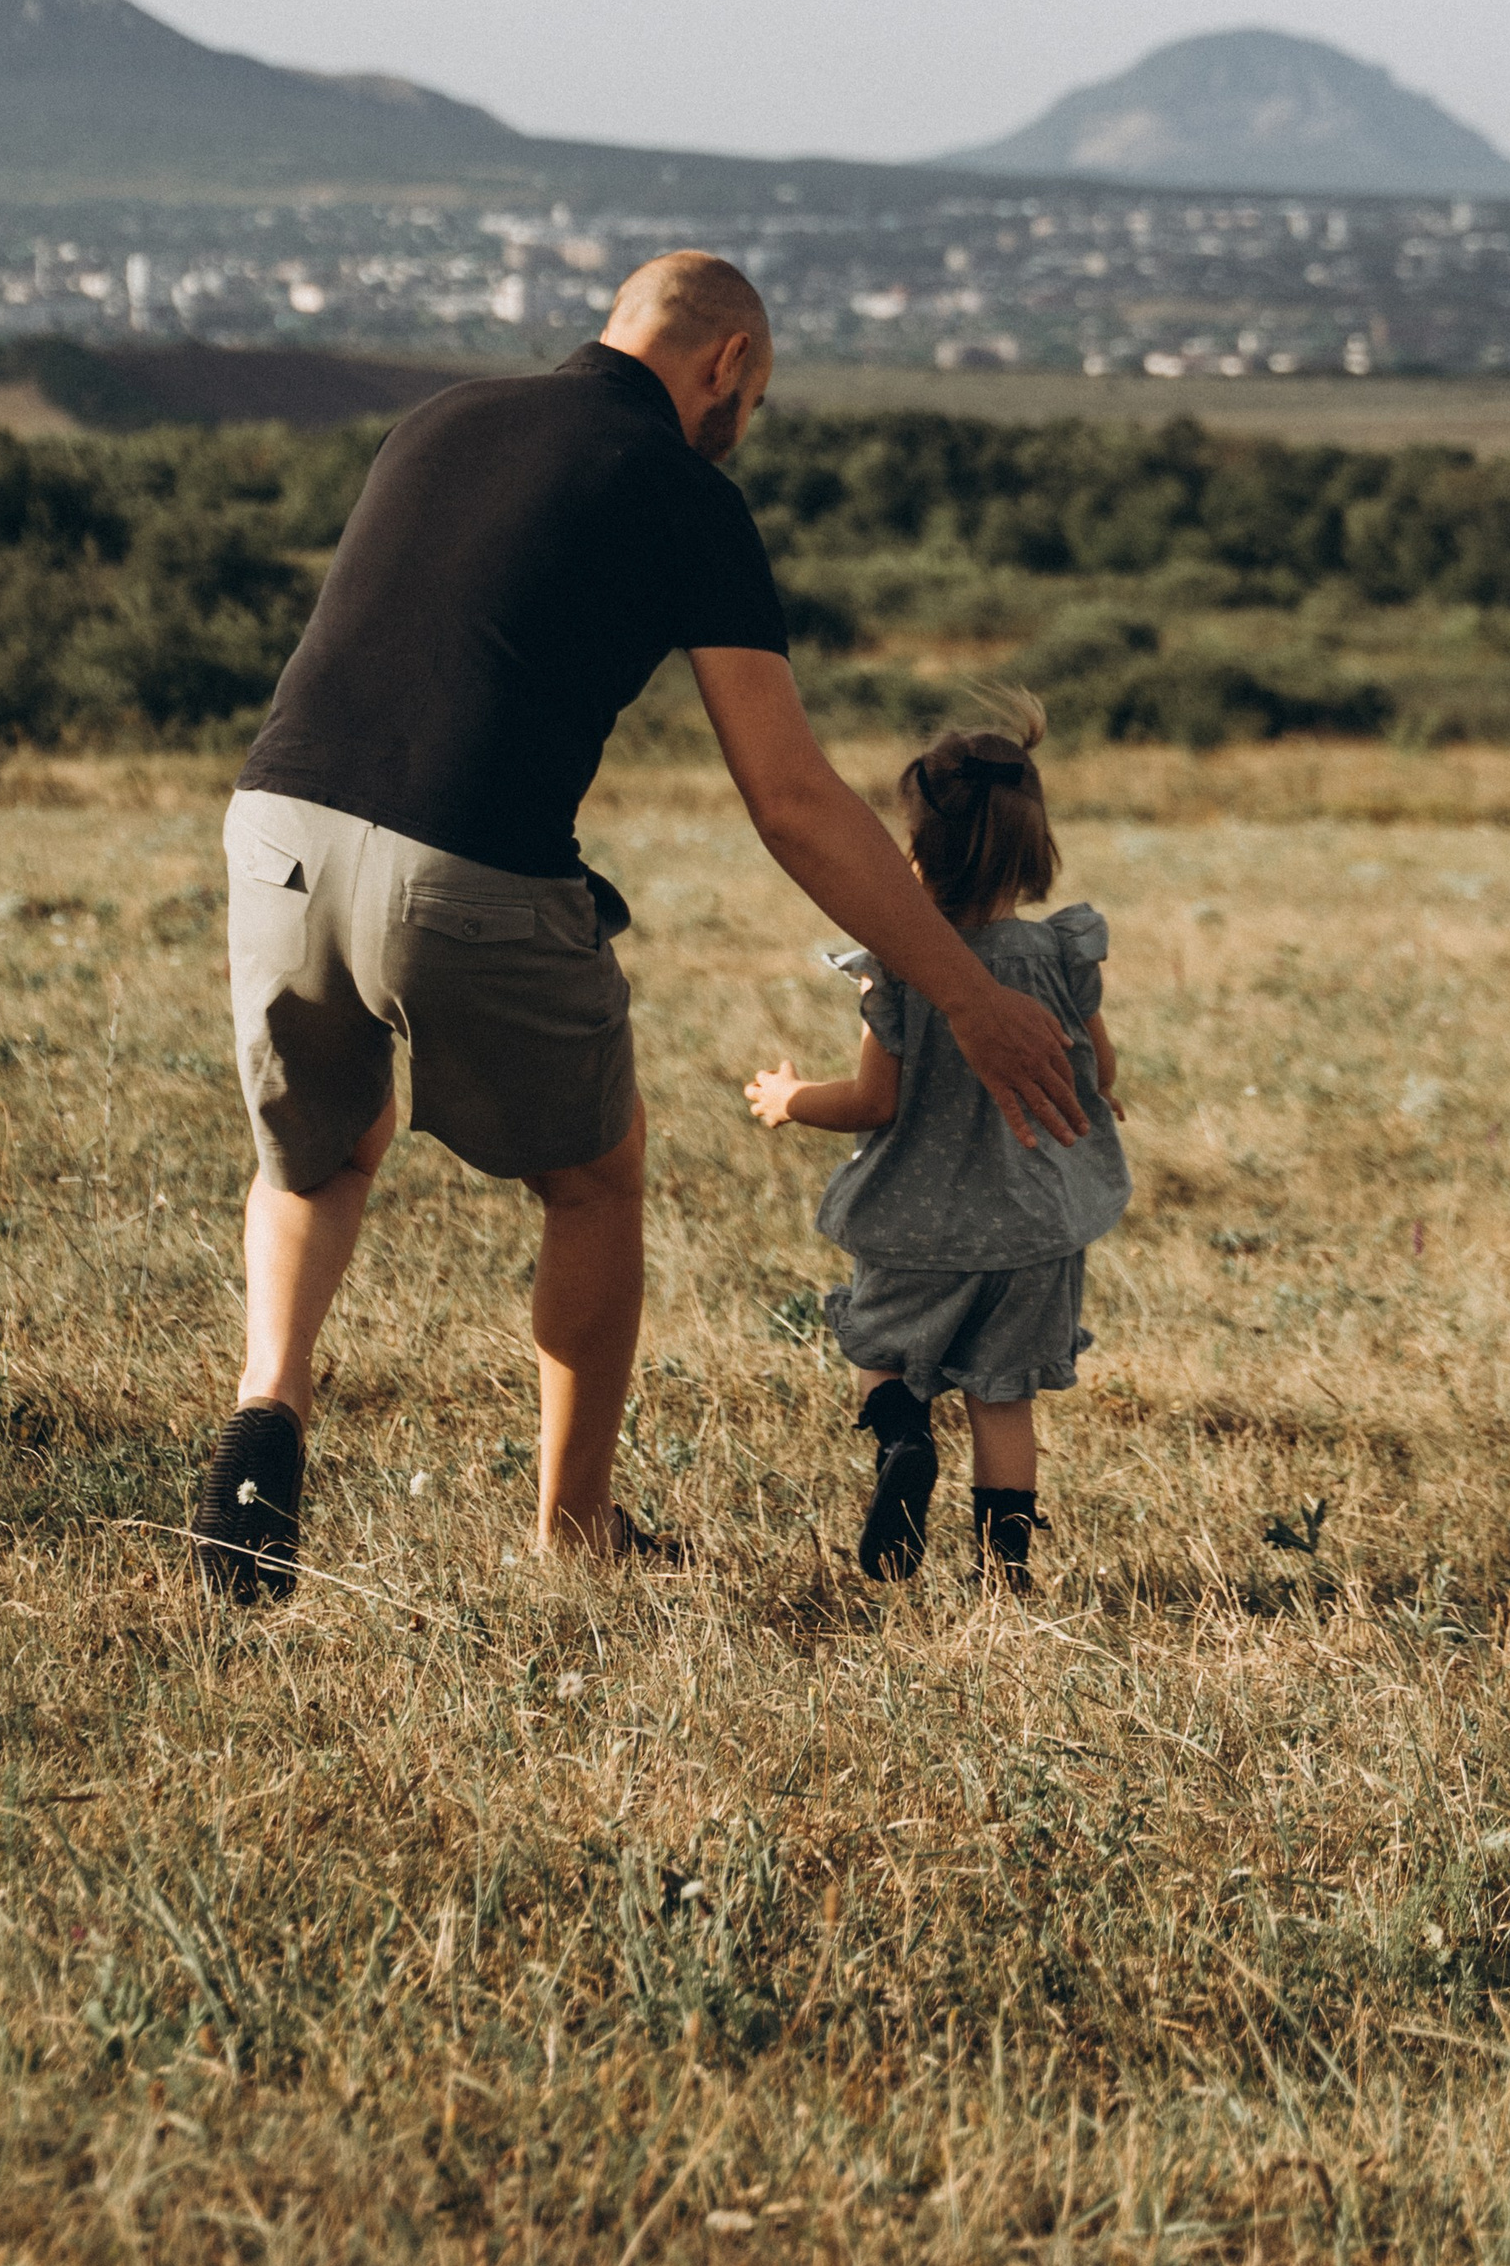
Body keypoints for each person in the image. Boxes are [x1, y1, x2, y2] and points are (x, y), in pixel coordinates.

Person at [195, 254, 1089, 1602]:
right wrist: (965, 991)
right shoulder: (685, 493)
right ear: (727, 363)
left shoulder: (442, 417)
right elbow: (790, 798)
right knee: (594, 1177)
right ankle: (575, 1527)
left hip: (273, 827)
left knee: (316, 1155)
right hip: (467, 862)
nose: (745, 424)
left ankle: (268, 1408)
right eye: (756, 399)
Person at [745, 692, 1126, 1591]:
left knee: (879, 1351)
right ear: (1034, 848)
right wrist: (1096, 1092)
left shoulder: (905, 967)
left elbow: (873, 1100)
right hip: (1032, 1232)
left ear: (915, 851)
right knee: (1004, 1397)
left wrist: (791, 1098)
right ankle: (1005, 1572)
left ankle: (905, 1439)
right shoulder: (1061, 955)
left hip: (919, 1225)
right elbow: (1098, 1068)